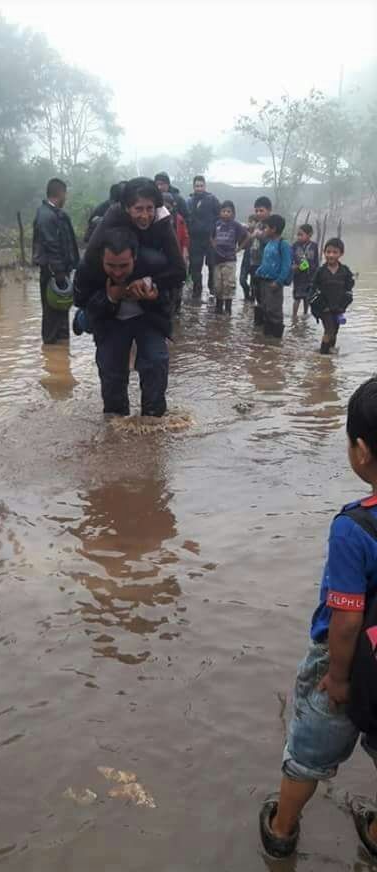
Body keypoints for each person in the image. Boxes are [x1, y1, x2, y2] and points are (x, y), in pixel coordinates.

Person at [260, 376, 377, 861]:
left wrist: (337, 676)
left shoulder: (355, 527)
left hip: (349, 665)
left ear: (362, 451)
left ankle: (282, 829)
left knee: (309, 752)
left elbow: (345, 619)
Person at [75, 228, 171, 417]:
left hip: (147, 320)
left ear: (135, 257)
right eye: (111, 265)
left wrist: (154, 295)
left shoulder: (156, 265)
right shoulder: (88, 269)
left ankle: (154, 420)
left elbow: (171, 305)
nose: (117, 272)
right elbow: (83, 303)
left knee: (156, 362)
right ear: (101, 259)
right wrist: (110, 297)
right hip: (109, 321)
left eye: (124, 266)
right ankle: (114, 426)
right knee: (111, 374)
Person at [32, 177, 79, 344]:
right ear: (60, 193)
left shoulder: (56, 214)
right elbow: (51, 244)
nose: (66, 198)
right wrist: (58, 271)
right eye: (65, 194)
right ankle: (51, 347)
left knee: (62, 307)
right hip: (52, 272)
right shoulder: (46, 216)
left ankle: (61, 350)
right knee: (52, 311)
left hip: (61, 271)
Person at [310, 238, 354, 355]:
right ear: (324, 253)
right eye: (328, 252)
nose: (331, 255)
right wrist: (322, 306)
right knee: (329, 330)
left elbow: (349, 290)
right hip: (324, 308)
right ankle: (323, 355)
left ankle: (330, 353)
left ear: (341, 254)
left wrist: (343, 305)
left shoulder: (345, 271)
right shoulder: (320, 271)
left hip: (338, 308)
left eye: (335, 252)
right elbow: (313, 290)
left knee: (335, 331)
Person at [255, 214, 292, 338]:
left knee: (274, 311)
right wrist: (258, 272)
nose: (264, 230)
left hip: (274, 283)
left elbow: (286, 266)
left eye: (266, 227)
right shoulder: (269, 243)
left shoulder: (283, 244)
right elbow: (265, 261)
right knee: (265, 308)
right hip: (263, 281)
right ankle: (267, 341)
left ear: (274, 229)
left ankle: (276, 341)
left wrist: (279, 281)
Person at [211, 200, 249, 315]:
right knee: (217, 285)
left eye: (229, 211)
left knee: (228, 284)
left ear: (233, 213)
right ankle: (218, 308)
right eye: (224, 211)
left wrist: (239, 248)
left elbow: (247, 236)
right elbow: (210, 235)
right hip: (217, 259)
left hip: (230, 259)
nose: (226, 213)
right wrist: (213, 245)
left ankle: (228, 309)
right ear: (220, 212)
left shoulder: (236, 225)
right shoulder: (216, 224)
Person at [187, 175, 220, 296]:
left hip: (210, 238)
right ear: (193, 187)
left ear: (205, 186)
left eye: (201, 186)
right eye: (197, 186)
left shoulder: (212, 199)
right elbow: (186, 218)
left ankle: (212, 287)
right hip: (195, 239)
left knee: (212, 264)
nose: (199, 188)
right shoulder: (189, 201)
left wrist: (215, 233)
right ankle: (197, 289)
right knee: (196, 265)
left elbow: (219, 216)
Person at [163, 192, 189, 314]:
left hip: (177, 256)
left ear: (173, 206)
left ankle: (177, 306)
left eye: (168, 208)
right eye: (163, 207)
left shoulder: (179, 220)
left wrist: (184, 253)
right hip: (163, 258)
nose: (166, 210)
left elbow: (185, 238)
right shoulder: (157, 219)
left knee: (178, 283)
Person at [292, 224, 319, 318]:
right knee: (297, 297)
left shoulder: (314, 246)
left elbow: (316, 261)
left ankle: (305, 314)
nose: (298, 237)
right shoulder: (295, 245)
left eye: (301, 234)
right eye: (298, 235)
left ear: (309, 234)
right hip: (298, 276)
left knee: (307, 297)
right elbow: (291, 259)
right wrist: (294, 267)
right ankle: (294, 316)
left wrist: (316, 275)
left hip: (310, 276)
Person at [249, 196, 272, 304]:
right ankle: (259, 317)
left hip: (266, 264)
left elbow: (273, 243)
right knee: (256, 290)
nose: (258, 213)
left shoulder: (272, 226)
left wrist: (260, 236)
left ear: (269, 210)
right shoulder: (258, 224)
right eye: (256, 211)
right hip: (255, 262)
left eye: (261, 210)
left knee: (266, 293)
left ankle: (267, 317)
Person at [239, 214, 258, 300]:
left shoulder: (260, 234)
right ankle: (246, 294)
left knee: (254, 283)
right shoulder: (245, 231)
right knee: (242, 280)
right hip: (246, 259)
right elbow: (241, 244)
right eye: (249, 222)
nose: (250, 224)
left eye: (252, 222)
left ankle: (251, 302)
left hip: (257, 261)